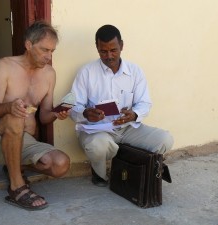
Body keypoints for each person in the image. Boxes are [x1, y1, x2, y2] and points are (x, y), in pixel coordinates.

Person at [0, 20, 70, 210]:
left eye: (52, 51)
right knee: (15, 116)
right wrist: (9, 107)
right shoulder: (5, 66)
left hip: (25, 142)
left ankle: (12, 166)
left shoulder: (49, 74)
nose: (48, 56)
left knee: (61, 164)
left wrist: (57, 113)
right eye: (44, 50)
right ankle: (17, 187)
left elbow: (44, 116)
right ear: (28, 45)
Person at [70, 24, 174, 187]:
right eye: (103, 51)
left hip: (127, 128)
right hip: (98, 130)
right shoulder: (87, 72)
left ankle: (127, 162)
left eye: (114, 50)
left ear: (122, 46)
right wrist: (85, 113)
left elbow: (144, 103)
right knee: (98, 146)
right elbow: (73, 106)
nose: (109, 56)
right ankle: (100, 174)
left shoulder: (135, 71)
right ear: (97, 48)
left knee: (165, 139)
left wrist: (134, 114)